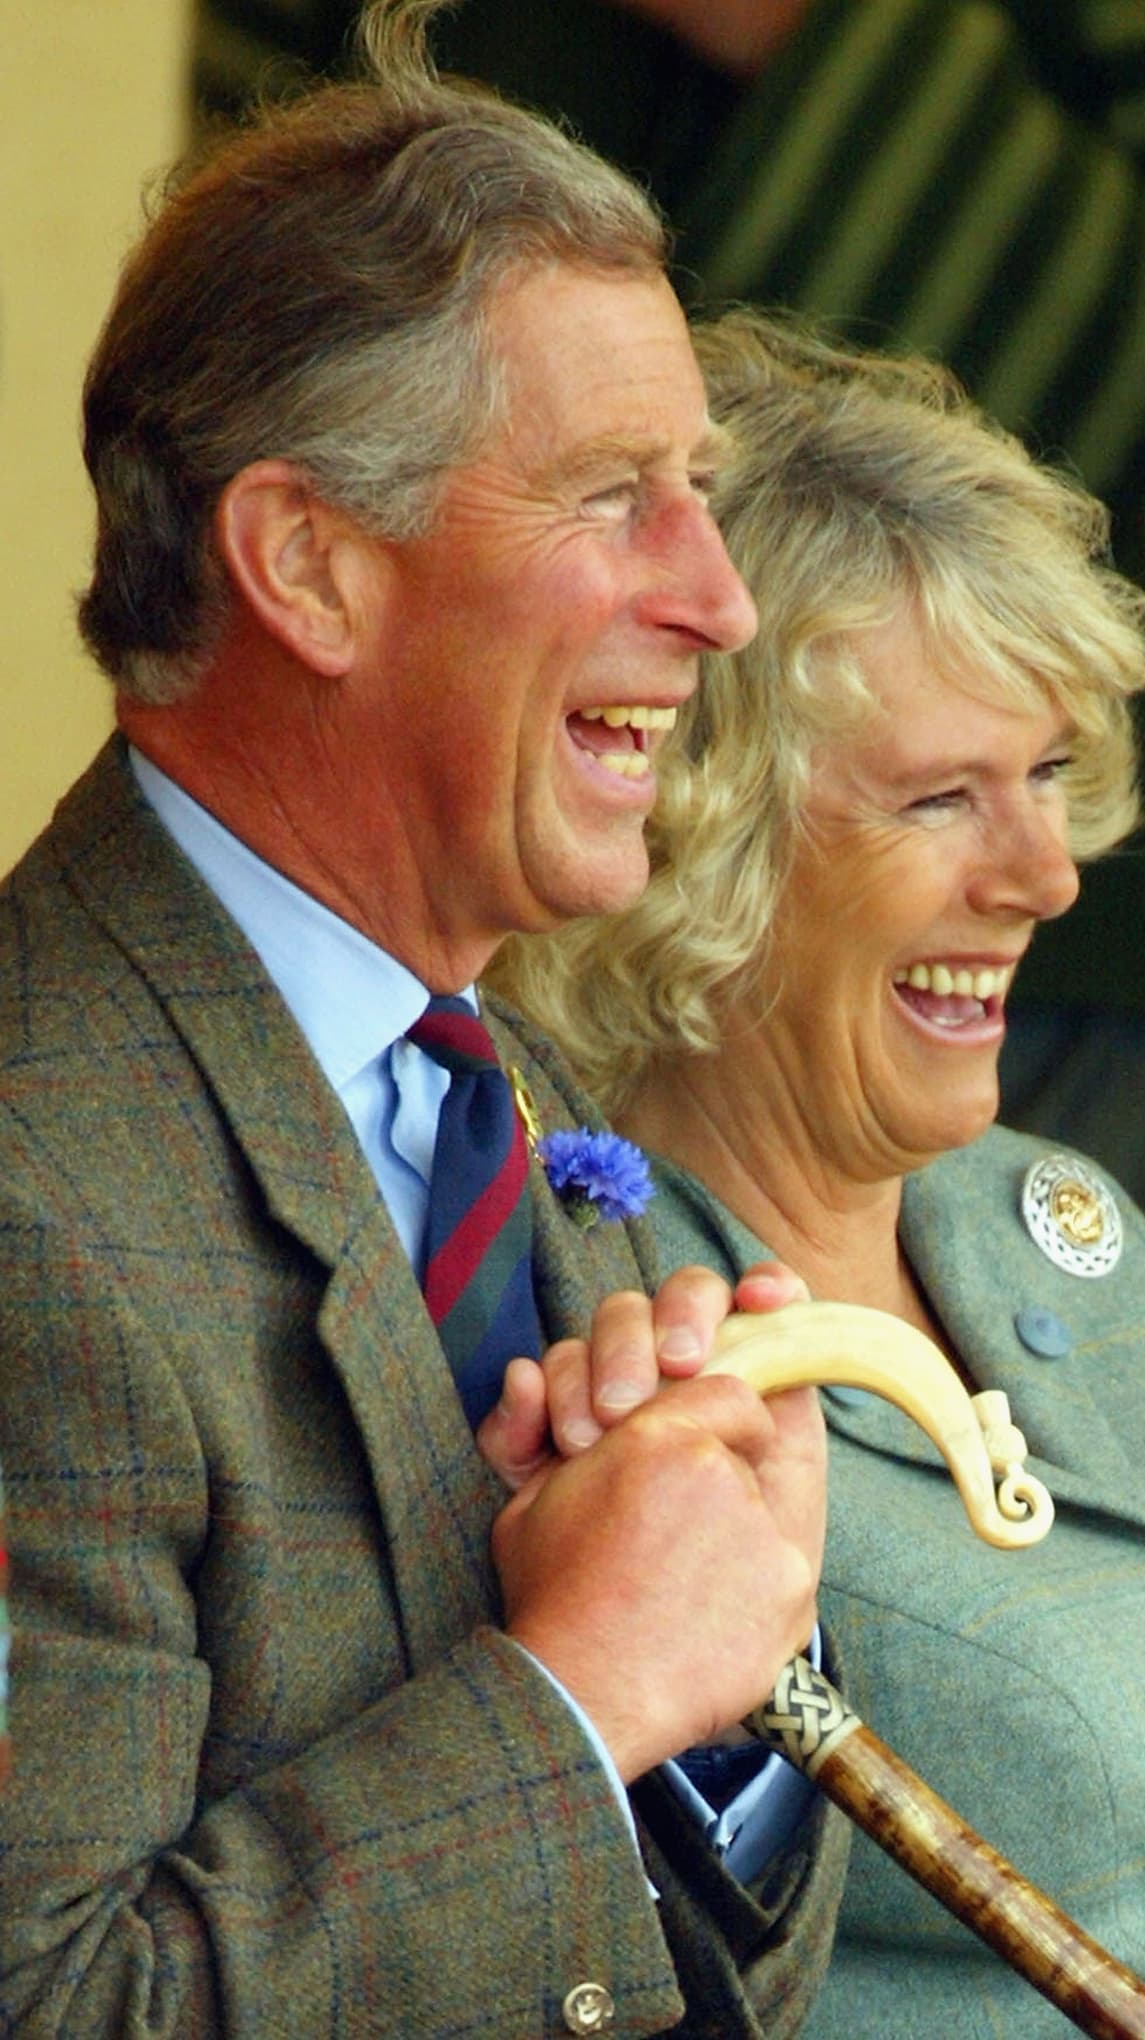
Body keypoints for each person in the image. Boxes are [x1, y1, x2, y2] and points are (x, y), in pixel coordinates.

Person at [0, 8, 852, 2031]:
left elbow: (719, 1962)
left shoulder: (534, 1117)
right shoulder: (28, 1178)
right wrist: (586, 1692)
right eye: (614, 494)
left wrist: (733, 1673)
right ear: (308, 560)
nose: (720, 596)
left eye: (704, 492)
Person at [190, 0, 1145, 1348]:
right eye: (616, 490)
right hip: (471, 962)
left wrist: (814, 39)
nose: (711, 602)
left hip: (1064, 1029)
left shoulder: (1047, 983)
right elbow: (228, 406)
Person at [489, 310, 1145, 2037]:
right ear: (711, 841)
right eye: (941, 800)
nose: (1047, 877)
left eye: (1049, 779)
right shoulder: (613, 1339)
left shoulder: (1053, 1217)